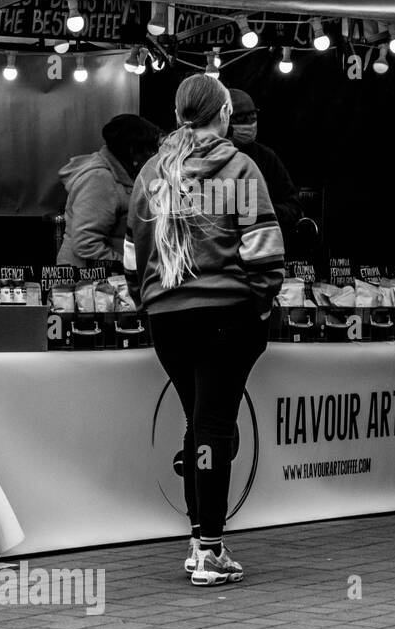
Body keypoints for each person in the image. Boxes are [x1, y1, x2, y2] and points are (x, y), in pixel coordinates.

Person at [124, 74, 285, 586]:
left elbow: (133, 252)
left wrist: (146, 301)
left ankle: (201, 542)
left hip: (167, 317)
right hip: (226, 315)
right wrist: (261, 305)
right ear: (223, 115)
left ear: (178, 116)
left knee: (200, 423)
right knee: (214, 424)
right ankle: (210, 550)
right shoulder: (240, 167)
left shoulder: (152, 172)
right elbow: (263, 250)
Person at [56, 114, 162, 268]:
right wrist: (130, 267)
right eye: (149, 151)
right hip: (86, 281)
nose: (152, 157)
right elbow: (86, 243)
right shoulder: (99, 179)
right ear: (133, 152)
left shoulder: (123, 173)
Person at [227, 88, 312, 253]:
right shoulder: (212, 158)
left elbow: (294, 207)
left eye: (253, 118)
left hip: (262, 249)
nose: (250, 124)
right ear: (226, 121)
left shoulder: (267, 158)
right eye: (243, 119)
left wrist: (264, 212)